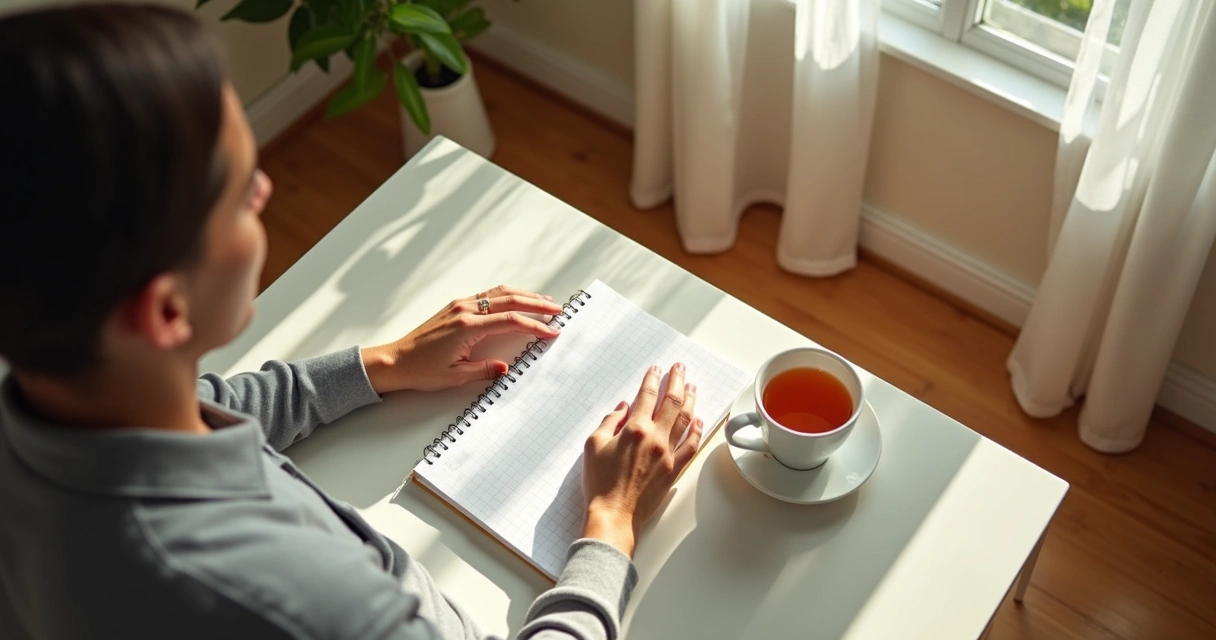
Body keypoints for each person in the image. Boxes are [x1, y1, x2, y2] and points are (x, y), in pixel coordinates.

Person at [0, 5, 707, 639]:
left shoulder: (57, 401)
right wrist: (609, 525)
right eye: (245, 193)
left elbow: (199, 404)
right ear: (166, 310)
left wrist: (381, 365)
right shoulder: (291, 597)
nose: (270, 188)